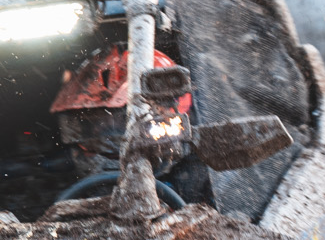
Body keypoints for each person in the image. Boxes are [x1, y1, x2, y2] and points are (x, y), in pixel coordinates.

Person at [49, 43, 208, 203]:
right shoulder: (71, 190)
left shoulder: (203, 182)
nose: (105, 137)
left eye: (121, 123)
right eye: (96, 126)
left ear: (171, 119)